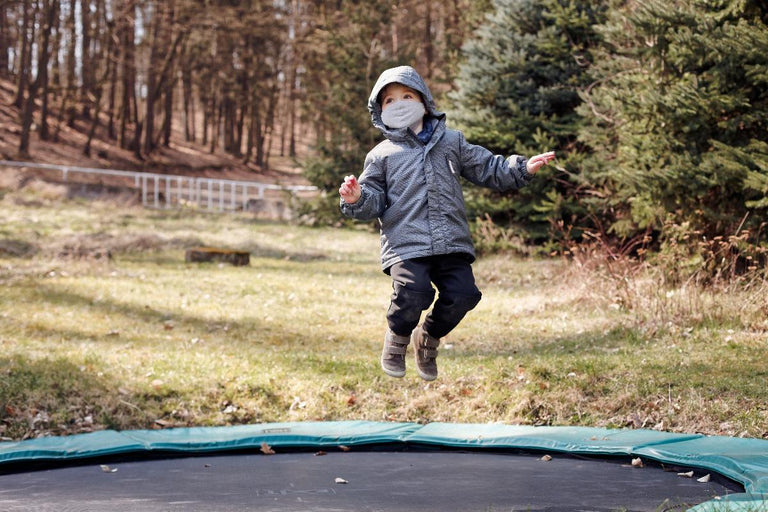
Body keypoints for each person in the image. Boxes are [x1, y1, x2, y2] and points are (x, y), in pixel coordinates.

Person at [338, 65, 555, 381]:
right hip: (406, 244)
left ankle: (427, 337)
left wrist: (521, 168)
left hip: (450, 240)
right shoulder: (381, 155)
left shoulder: (452, 142)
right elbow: (374, 200)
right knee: (414, 292)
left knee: (464, 294)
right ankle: (397, 338)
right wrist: (357, 197)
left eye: (407, 96)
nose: (399, 104)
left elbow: (487, 167)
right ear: (380, 111)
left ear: (424, 101)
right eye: (389, 100)